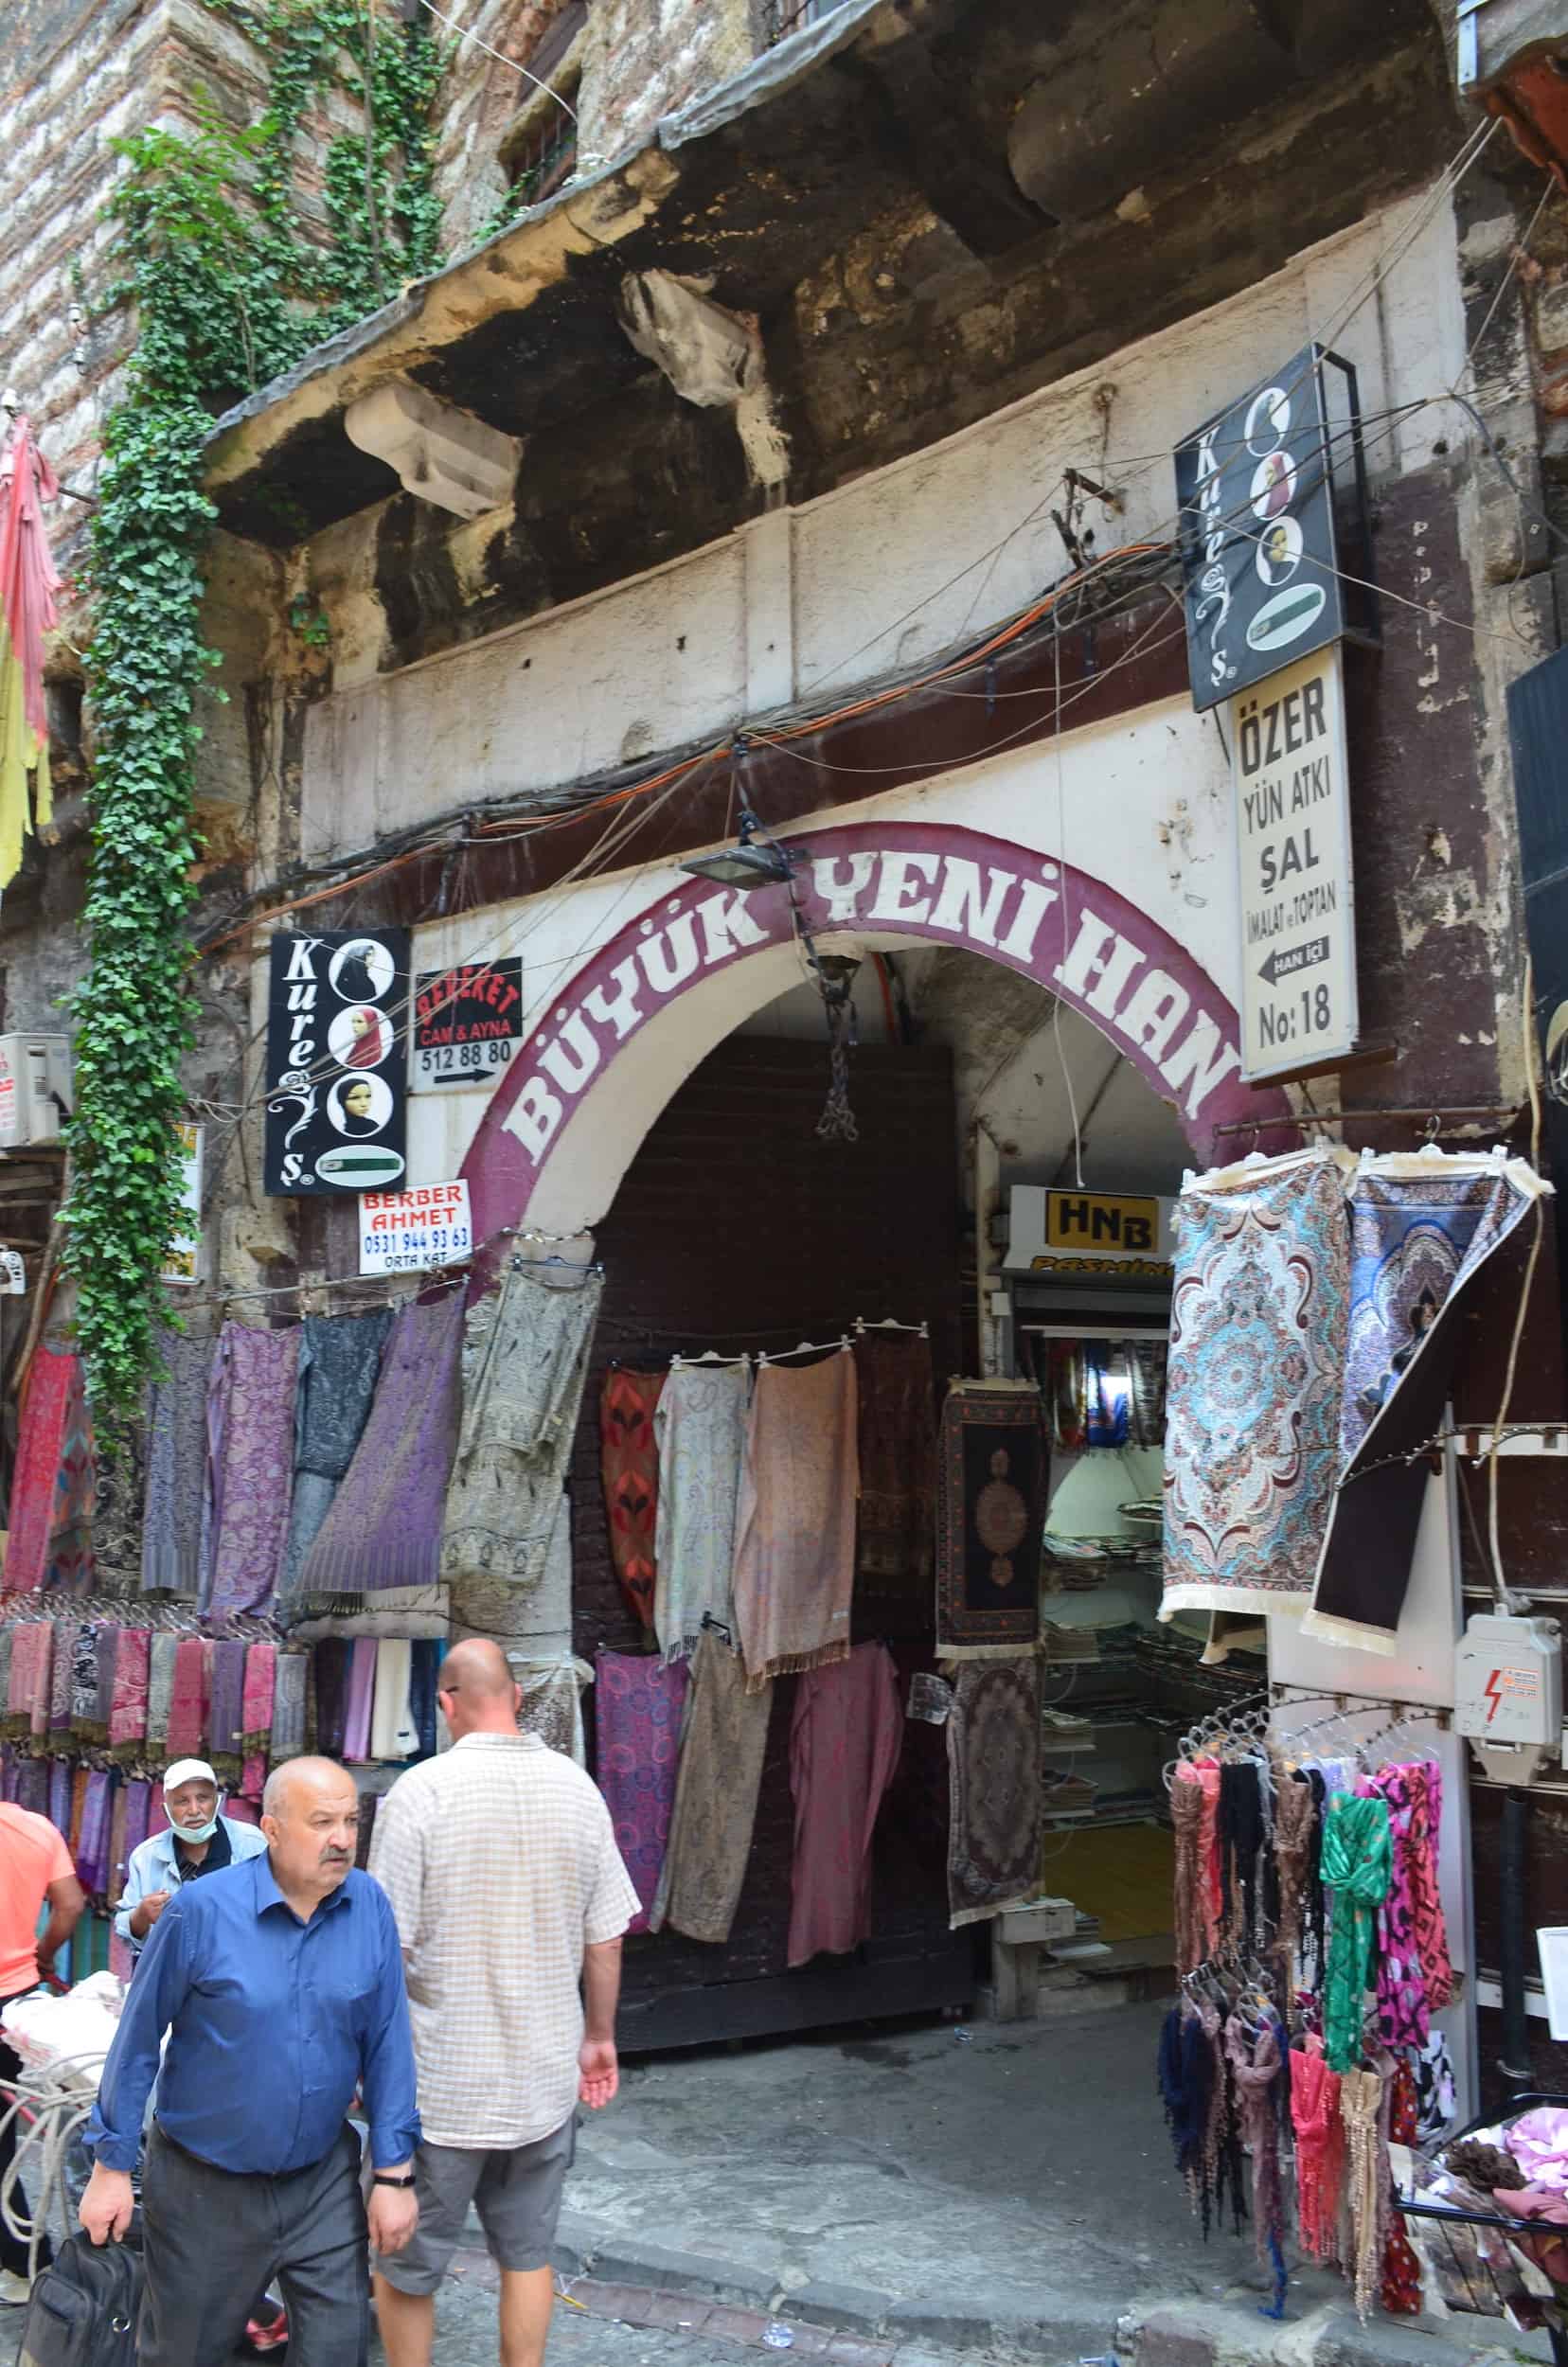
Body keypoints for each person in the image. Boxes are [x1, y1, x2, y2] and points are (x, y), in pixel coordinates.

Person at [79, 1756, 420, 2367]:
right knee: (184, 2353)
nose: (342, 1838)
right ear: (272, 1829)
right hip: (204, 2189)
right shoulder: (201, 1911)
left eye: (349, 1820)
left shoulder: (368, 1904)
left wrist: (394, 2172)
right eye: (321, 1822)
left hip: (320, 2181)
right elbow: (137, 2041)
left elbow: (389, 2040)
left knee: (339, 2350)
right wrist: (110, 2165)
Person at [368, 1637, 640, 2367]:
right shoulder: (576, 1788)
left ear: (445, 1705)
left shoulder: (418, 1794)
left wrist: (369, 2067)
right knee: (527, 2257)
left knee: (406, 2266)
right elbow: (607, 1936)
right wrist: (599, 2036)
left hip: (442, 2088)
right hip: (542, 2080)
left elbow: (380, 1953)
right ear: (517, 1698)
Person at [0, 1796, 84, 2302]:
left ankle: (23, 2261)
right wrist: (42, 1953)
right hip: (16, 1999)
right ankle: (21, 2259)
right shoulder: (34, 1827)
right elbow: (70, 1904)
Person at [115, 1758, 268, 1964]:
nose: (194, 1810)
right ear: (166, 1809)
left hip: (240, 1973)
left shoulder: (253, 1844)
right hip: (174, 1979)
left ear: (216, 1800)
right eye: (182, 1801)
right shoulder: (146, 1857)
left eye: (203, 1798)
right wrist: (141, 1915)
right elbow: (126, 1931)